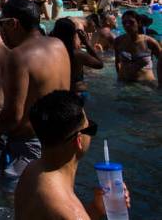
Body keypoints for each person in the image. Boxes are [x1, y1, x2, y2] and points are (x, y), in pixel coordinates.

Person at [0, 0, 71, 192]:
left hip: (28, 146)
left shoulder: (18, 56)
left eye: (1, 24)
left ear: (14, 23)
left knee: (13, 200)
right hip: (61, 140)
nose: (1, 32)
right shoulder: (58, 45)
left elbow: (13, 114)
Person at [15, 90, 130, 220]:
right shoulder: (70, 212)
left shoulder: (31, 172)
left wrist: (96, 209)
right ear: (79, 140)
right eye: (90, 128)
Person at [50, 18, 104, 94]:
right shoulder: (77, 54)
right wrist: (87, 43)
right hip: (76, 92)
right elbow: (100, 64)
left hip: (57, 92)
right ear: (73, 34)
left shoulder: (51, 53)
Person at [114, 9, 160, 85]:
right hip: (124, 85)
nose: (127, 25)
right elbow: (117, 62)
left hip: (146, 86)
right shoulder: (118, 41)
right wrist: (119, 80)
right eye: (124, 23)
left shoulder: (150, 42)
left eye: (131, 22)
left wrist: (160, 82)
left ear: (139, 23)